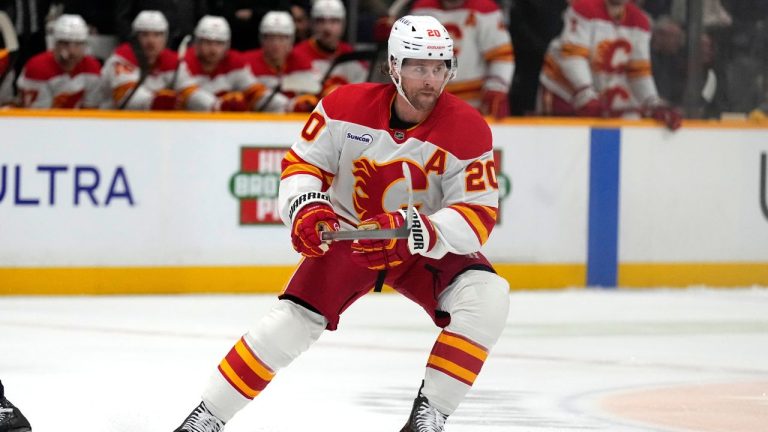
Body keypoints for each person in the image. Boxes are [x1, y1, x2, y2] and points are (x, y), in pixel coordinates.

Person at [172, 14, 510, 432]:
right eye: (418, 67)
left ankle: (430, 416)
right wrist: (305, 207)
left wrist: (420, 231)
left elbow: (477, 212)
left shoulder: (468, 128)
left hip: (421, 248)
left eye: (439, 68)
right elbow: (302, 165)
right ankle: (206, 416)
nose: (430, 79)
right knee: (291, 322)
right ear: (393, 67)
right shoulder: (343, 106)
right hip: (350, 240)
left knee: (488, 299)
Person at [537, 0, 682, 130]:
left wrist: (652, 103)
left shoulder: (640, 22)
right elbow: (572, 56)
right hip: (562, 93)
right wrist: (585, 92)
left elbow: (638, 72)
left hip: (598, 95)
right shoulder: (584, 8)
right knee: (557, 145)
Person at [411, 0, 515, 118]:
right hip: (430, 100)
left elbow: (501, 54)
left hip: (473, 101)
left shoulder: (485, 9)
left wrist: (497, 86)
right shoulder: (422, 9)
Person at [178, 15, 277, 112]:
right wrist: (218, 105)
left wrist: (287, 105)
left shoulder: (235, 62)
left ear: (227, 45)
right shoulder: (184, 62)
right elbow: (188, 94)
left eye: (219, 43)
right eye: (208, 42)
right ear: (197, 43)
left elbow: (255, 92)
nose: (213, 49)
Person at [15, 14, 103, 109]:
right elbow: (38, 117)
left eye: (78, 44)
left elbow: (91, 113)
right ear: (55, 44)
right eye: (65, 43)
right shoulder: (37, 67)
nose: (72, 51)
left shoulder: (92, 67)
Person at [101, 10, 182, 110]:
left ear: (165, 38)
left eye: (157, 35)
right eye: (145, 35)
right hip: (112, 121)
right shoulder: (120, 59)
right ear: (135, 38)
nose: (151, 41)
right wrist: (155, 101)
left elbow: (188, 89)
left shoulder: (174, 61)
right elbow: (126, 97)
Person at [244, 11, 321, 112]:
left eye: (282, 38)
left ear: (291, 40)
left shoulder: (302, 62)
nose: (276, 44)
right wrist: (291, 105)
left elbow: (314, 94)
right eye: (271, 37)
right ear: (261, 39)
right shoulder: (247, 63)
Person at [292, 0, 368, 96]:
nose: (327, 28)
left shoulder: (352, 56)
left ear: (343, 24)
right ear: (312, 24)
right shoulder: (297, 54)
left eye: (334, 21)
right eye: (321, 21)